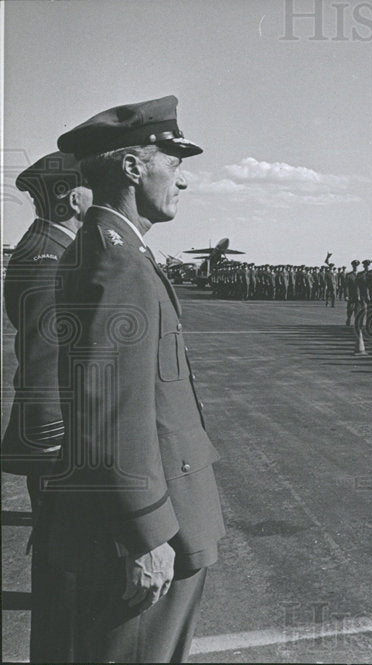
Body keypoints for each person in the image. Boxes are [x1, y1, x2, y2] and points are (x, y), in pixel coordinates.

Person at [47, 95, 225, 662]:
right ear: (132, 167)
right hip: (151, 529)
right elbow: (111, 413)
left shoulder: (106, 249)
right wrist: (146, 535)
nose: (183, 180)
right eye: (173, 163)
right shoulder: (119, 263)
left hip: (142, 518)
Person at [2, 151, 92, 663]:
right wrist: (57, 452)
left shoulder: (47, 248)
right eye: (93, 187)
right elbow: (42, 368)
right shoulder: (49, 260)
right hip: (59, 448)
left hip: (57, 443)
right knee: (66, 580)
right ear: (72, 197)